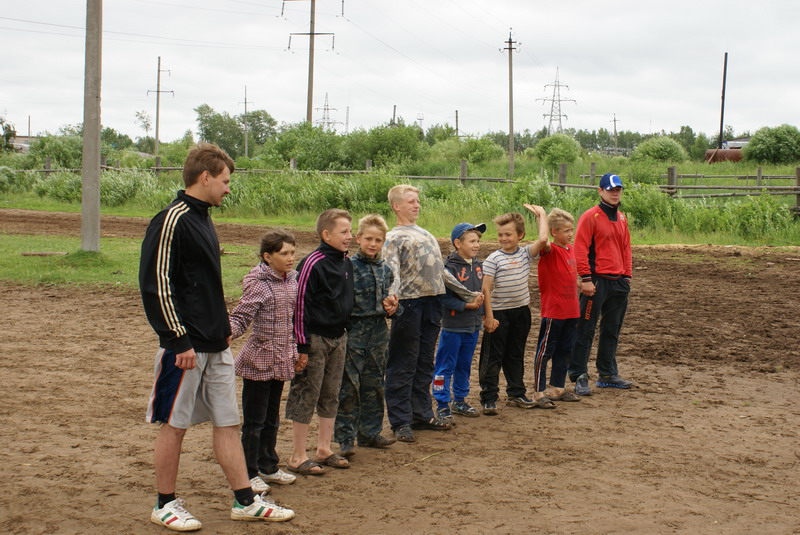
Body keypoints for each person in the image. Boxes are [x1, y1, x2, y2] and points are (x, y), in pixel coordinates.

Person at [140, 143, 294, 531]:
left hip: (216, 344)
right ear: (205, 177)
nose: (228, 188)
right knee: (174, 425)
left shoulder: (203, 218)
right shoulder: (171, 219)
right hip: (185, 349)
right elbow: (156, 285)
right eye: (225, 181)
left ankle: (245, 500)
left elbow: (199, 286)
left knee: (227, 423)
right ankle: (165, 503)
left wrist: (222, 330)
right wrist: (178, 340)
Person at [383, 184, 480, 443]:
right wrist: (392, 297)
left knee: (424, 361)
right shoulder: (393, 237)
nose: (417, 205)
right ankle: (400, 421)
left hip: (432, 302)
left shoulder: (425, 234)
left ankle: (422, 414)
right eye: (411, 201)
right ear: (397, 206)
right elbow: (391, 271)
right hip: (408, 304)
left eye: (417, 201)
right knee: (404, 362)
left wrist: (467, 295)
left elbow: (441, 272)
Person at [228, 230, 299, 495]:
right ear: (268, 257)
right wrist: (224, 333)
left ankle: (268, 466)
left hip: (282, 358)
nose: (291, 258)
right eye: (284, 254)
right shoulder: (257, 281)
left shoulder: (292, 279)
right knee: (254, 421)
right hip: (259, 360)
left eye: (292, 252)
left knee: (271, 418)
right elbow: (242, 315)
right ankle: (248, 472)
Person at [286, 208, 355, 475]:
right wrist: (302, 346)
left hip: (339, 337)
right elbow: (300, 307)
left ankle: (324, 448)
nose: (350, 236)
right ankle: (297, 455)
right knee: (306, 393)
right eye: (344, 232)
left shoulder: (346, 262)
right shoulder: (311, 263)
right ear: (326, 234)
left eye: (350, 231)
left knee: (331, 393)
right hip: (313, 339)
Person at [335, 214, 399, 458]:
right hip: (353, 333)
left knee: (375, 386)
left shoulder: (386, 271)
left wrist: (394, 308)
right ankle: (345, 438)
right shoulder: (347, 268)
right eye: (369, 238)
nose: (373, 244)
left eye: (378, 240)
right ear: (358, 238)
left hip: (378, 334)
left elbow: (391, 304)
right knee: (349, 387)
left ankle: (370, 433)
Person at [478, 207, 550, 414]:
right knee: (493, 356)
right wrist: (489, 316)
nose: (503, 238)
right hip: (499, 314)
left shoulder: (526, 253)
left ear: (520, 235)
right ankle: (489, 397)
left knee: (515, 354)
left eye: (508, 234)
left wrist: (541, 216)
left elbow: (543, 239)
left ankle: (516, 393)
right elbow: (486, 288)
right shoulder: (493, 259)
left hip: (521, 312)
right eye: (500, 235)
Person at [568, 173, 634, 396]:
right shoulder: (590, 217)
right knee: (585, 328)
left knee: (611, 329)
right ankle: (578, 374)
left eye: (618, 189)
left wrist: (627, 276)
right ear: (600, 191)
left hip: (618, 283)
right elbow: (580, 248)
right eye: (610, 189)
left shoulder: (622, 218)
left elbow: (626, 248)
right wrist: (585, 278)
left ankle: (607, 374)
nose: (615, 193)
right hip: (595, 282)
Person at [432, 222, 487, 424]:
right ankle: (442, 403)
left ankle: (460, 400)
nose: (477, 245)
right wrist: (467, 306)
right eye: (472, 241)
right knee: (445, 366)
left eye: (478, 241)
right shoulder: (448, 269)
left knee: (464, 365)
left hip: (472, 327)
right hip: (453, 327)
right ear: (457, 243)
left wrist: (482, 314)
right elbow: (443, 298)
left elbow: (483, 293)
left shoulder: (479, 265)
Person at [529, 207, 583, 407]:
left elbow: (569, 274)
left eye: (571, 230)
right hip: (554, 311)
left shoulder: (570, 249)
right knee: (545, 351)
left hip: (571, 310)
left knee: (565, 350)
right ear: (554, 232)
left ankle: (557, 388)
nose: (570, 234)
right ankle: (538, 392)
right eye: (566, 231)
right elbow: (542, 240)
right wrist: (542, 216)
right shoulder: (549, 250)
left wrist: (581, 283)